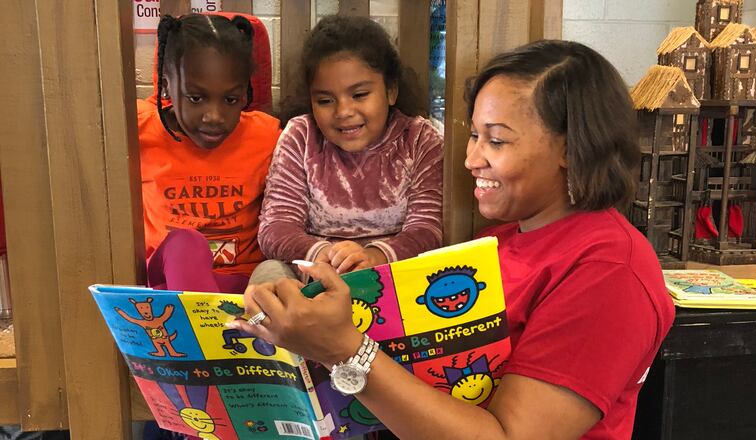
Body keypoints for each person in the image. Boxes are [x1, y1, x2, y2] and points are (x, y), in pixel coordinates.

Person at [232, 40, 676, 439]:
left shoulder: (609, 269)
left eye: (497, 141)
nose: (470, 160)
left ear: (570, 148)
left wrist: (345, 351)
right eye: (474, 136)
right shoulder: (501, 240)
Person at [252, 15, 443, 283]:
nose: (343, 112)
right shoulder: (299, 136)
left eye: (359, 95)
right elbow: (275, 226)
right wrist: (320, 253)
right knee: (268, 275)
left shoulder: (420, 139)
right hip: (313, 276)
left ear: (391, 90)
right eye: (325, 100)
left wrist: (375, 257)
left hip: (394, 276)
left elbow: (427, 229)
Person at [138, 13, 281, 294]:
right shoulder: (138, 129)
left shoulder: (268, 136)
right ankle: (207, 331)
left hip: (244, 287)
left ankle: (208, 331)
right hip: (170, 281)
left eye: (231, 100)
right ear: (166, 84)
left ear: (245, 92)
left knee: (274, 275)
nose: (214, 116)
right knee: (186, 244)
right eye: (196, 98)